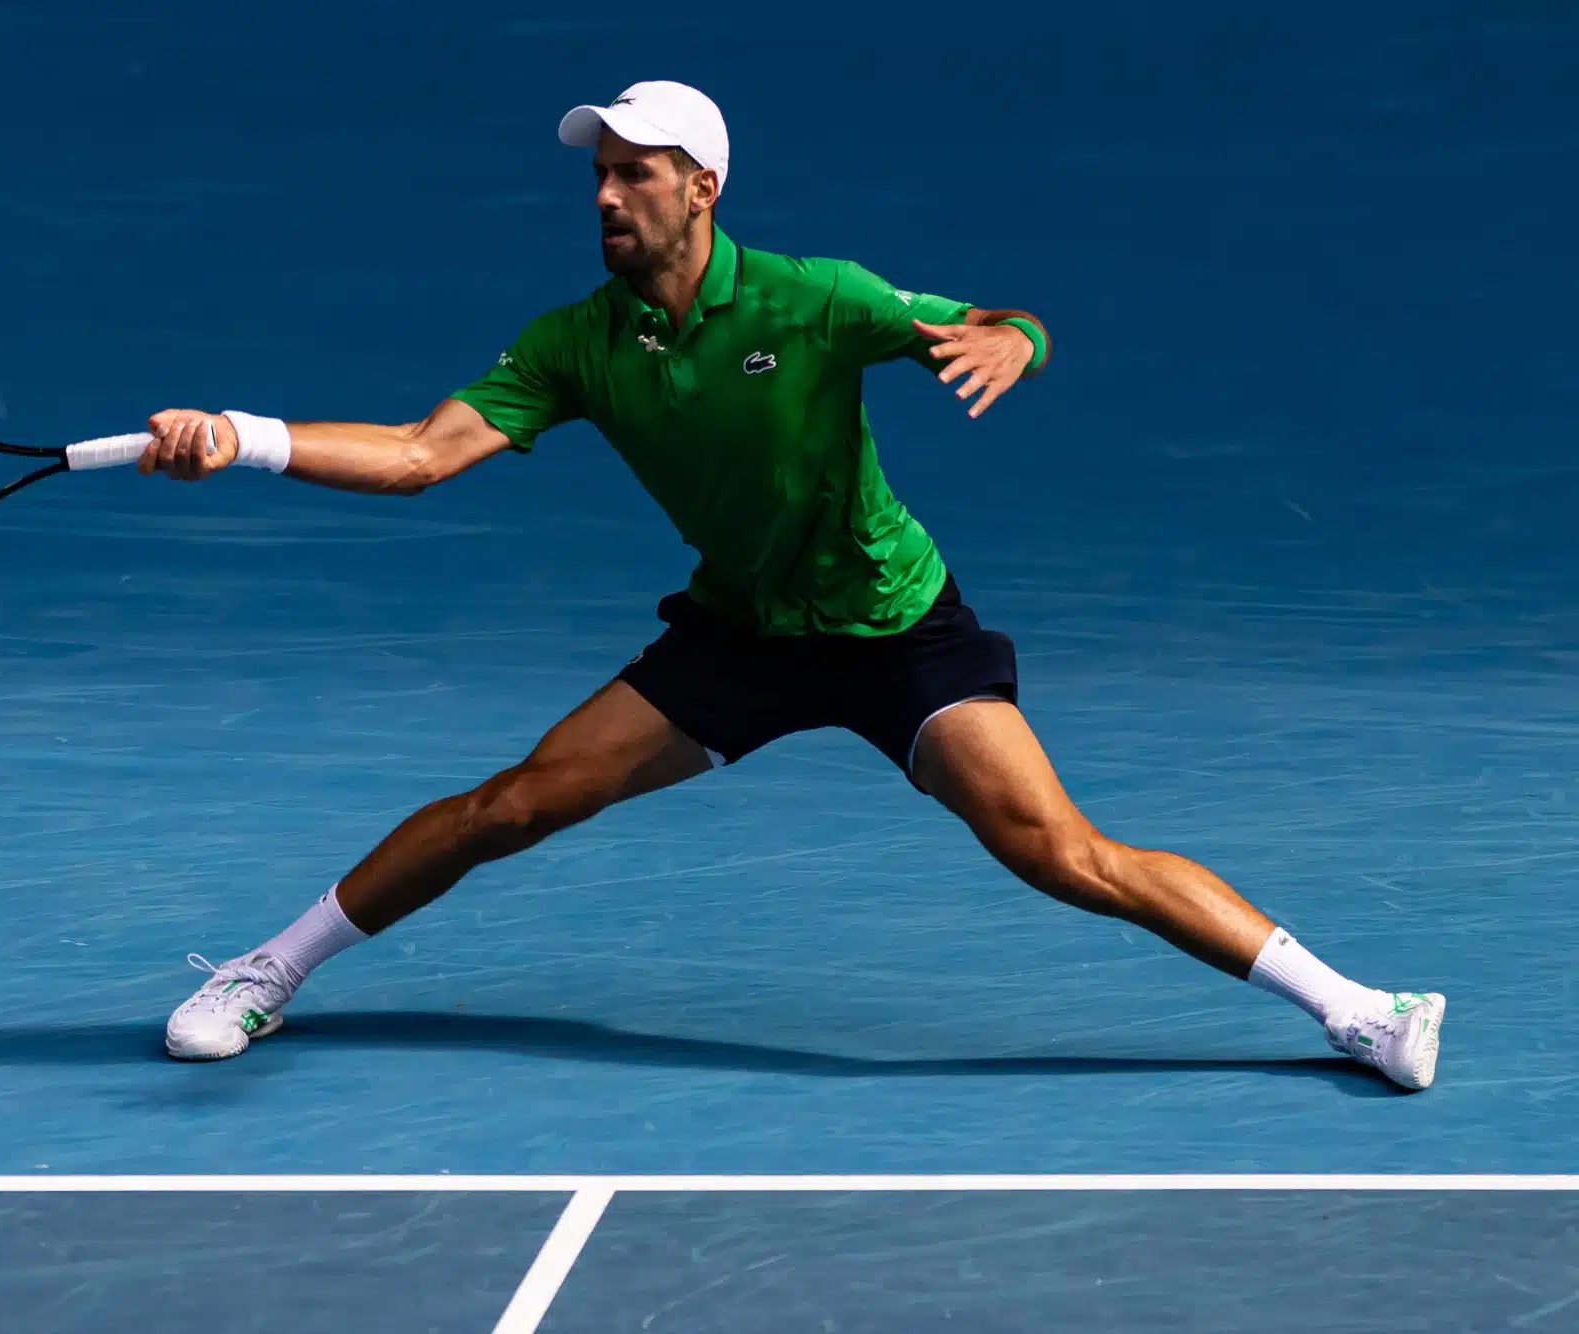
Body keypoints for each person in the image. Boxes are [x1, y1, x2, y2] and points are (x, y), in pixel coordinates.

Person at [138, 81, 1445, 1090]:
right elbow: (423, 455)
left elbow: (1006, 326)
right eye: (597, 175)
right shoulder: (576, 345)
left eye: (633, 174)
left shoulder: (813, 301)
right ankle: (268, 971)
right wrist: (244, 436)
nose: (605, 197)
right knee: (511, 804)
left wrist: (1014, 339)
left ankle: (1362, 1010)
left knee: (1065, 853)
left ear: (701, 186)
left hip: (895, 631)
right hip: (742, 633)